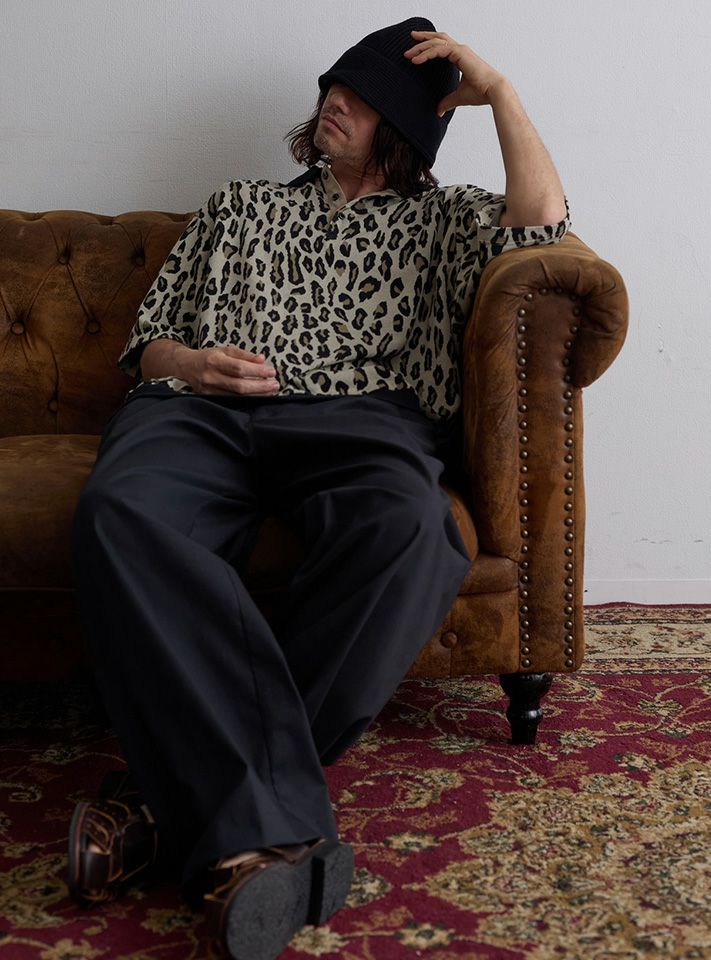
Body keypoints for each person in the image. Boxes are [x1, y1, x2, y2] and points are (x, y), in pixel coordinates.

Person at [67, 15, 571, 960]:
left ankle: (163, 810)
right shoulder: (240, 205)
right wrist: (195, 364)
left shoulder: (446, 219)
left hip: (360, 422)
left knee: (415, 531)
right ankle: (264, 828)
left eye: (364, 96)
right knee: (118, 511)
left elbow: (545, 225)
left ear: (405, 130)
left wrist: (500, 91)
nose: (334, 100)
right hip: (203, 411)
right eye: (335, 85)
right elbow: (148, 346)